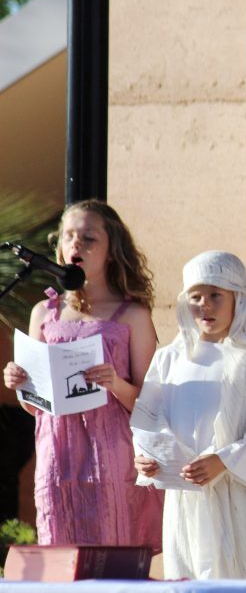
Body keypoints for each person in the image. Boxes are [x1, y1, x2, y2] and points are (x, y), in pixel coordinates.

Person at [2, 200, 162, 549]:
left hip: (111, 455)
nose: (76, 244)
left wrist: (115, 383)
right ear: (58, 248)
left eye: (89, 238)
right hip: (57, 453)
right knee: (61, 548)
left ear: (111, 251)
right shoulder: (44, 312)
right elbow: (35, 406)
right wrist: (20, 384)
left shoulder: (131, 315)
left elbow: (152, 405)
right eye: (69, 236)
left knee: (111, 551)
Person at [132, 251, 246, 579]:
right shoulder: (170, 358)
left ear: (239, 300)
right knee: (186, 585)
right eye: (196, 296)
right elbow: (148, 418)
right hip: (183, 495)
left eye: (216, 295)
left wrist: (223, 461)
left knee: (236, 583)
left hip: (233, 492)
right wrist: (145, 456)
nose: (206, 305)